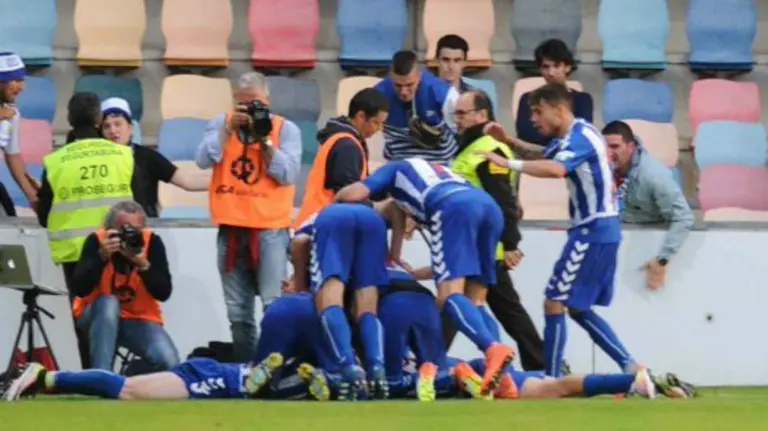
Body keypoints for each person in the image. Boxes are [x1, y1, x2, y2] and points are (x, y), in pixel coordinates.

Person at [480, 83, 641, 377]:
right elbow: (547, 155)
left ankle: (551, 378)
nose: (534, 119)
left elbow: (556, 169)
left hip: (592, 230)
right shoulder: (579, 135)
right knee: (577, 308)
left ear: (559, 109)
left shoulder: (580, 137)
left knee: (554, 300)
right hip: (602, 229)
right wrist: (510, 141)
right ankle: (631, 367)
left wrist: (507, 162)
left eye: (538, 112)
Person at [334, 159, 516, 396]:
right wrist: (397, 254)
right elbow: (398, 209)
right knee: (476, 300)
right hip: (487, 206)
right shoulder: (437, 170)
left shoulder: (394, 169)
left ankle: (492, 348)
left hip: (450, 207)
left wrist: (337, 197)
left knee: (449, 295)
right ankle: (504, 376)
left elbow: (354, 194)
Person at [196, 72, 302, 362]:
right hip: (231, 229)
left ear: (267, 101)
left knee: (273, 306)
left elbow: (288, 174)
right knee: (238, 313)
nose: (248, 110)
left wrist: (264, 141)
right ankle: (245, 370)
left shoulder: (285, 129)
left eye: (255, 103)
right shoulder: (221, 123)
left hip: (270, 230)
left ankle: (276, 365)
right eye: (242, 104)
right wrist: (227, 131)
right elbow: (204, 159)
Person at [36, 92, 135, 368]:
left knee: (81, 317)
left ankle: (90, 374)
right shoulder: (122, 155)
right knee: (114, 311)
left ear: (69, 119)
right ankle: (111, 374)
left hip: (73, 253)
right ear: (97, 119)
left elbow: (45, 216)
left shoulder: (56, 161)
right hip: (114, 246)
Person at [448, 90, 544, 371]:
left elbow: (503, 200)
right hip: (473, 243)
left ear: (482, 115)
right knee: (494, 308)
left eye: (462, 114)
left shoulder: (489, 149)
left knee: (476, 306)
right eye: (456, 114)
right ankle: (532, 364)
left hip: (486, 245)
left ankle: (527, 364)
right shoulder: (469, 147)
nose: (457, 120)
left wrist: (510, 242)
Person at [291, 203, 394, 400]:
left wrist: (300, 284)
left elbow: (300, 242)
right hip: (373, 220)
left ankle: (349, 366)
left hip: (334, 219)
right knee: (366, 308)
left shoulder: (317, 213)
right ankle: (377, 365)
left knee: (330, 297)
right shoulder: (370, 210)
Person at [69, 200, 179, 374]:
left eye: (135, 231)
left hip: (137, 319)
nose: (128, 236)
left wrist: (143, 265)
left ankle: (125, 377)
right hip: (97, 316)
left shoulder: (152, 243)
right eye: (123, 231)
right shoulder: (97, 241)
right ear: (109, 229)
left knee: (169, 362)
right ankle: (101, 376)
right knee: (109, 303)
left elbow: (164, 293)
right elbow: (79, 289)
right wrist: (101, 256)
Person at [603, 121, 694, 291]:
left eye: (615, 146)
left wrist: (662, 260)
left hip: (644, 249)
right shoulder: (602, 168)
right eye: (605, 147)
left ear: (631, 146)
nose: (609, 153)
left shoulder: (653, 176)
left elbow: (684, 218)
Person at [2, 352, 285, 402]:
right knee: (128, 390)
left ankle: (47, 380)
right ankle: (42, 376)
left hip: (220, 377)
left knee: (128, 390)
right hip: (216, 377)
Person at [293, 88, 389, 228]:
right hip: (324, 226)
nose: (379, 129)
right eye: (376, 122)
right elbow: (349, 196)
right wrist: (381, 207)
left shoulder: (341, 138)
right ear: (361, 116)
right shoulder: (347, 147)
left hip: (320, 222)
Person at [100, 98, 209, 217]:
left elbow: (187, 181)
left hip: (145, 226)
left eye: (118, 124)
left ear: (130, 128)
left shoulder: (147, 157)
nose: (113, 130)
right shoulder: (97, 159)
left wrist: (225, 182)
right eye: (106, 126)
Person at [374, 50, 459, 164]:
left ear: (419, 76)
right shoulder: (378, 94)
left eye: (409, 85)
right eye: (398, 85)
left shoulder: (444, 94)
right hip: (399, 163)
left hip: (440, 163)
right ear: (390, 76)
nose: (404, 92)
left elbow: (464, 131)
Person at [464, 359, 696, 399]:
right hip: (499, 374)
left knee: (556, 388)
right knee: (564, 389)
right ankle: (644, 382)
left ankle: (633, 381)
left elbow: (463, 368)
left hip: (495, 376)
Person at [515, 39, 594, 146]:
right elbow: (526, 134)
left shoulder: (583, 99)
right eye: (545, 67)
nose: (551, 73)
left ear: (567, 67)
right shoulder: (528, 98)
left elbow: (581, 135)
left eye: (556, 66)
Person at [0, 52, 40, 213]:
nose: (21, 87)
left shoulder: (12, 113)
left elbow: (13, 156)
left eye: (22, 80)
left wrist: (33, 197)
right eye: (16, 80)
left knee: (9, 214)